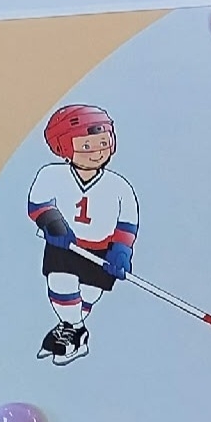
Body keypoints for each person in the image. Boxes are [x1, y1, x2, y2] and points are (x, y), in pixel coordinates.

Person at [26, 104, 138, 366]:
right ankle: (76, 332)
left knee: (88, 295)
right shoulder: (51, 175)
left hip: (100, 251)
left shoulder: (118, 186)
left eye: (103, 143)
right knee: (60, 285)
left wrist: (121, 251)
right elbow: (38, 203)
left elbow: (126, 223)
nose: (97, 152)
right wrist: (52, 223)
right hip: (65, 247)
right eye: (86, 146)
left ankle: (71, 328)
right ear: (64, 147)